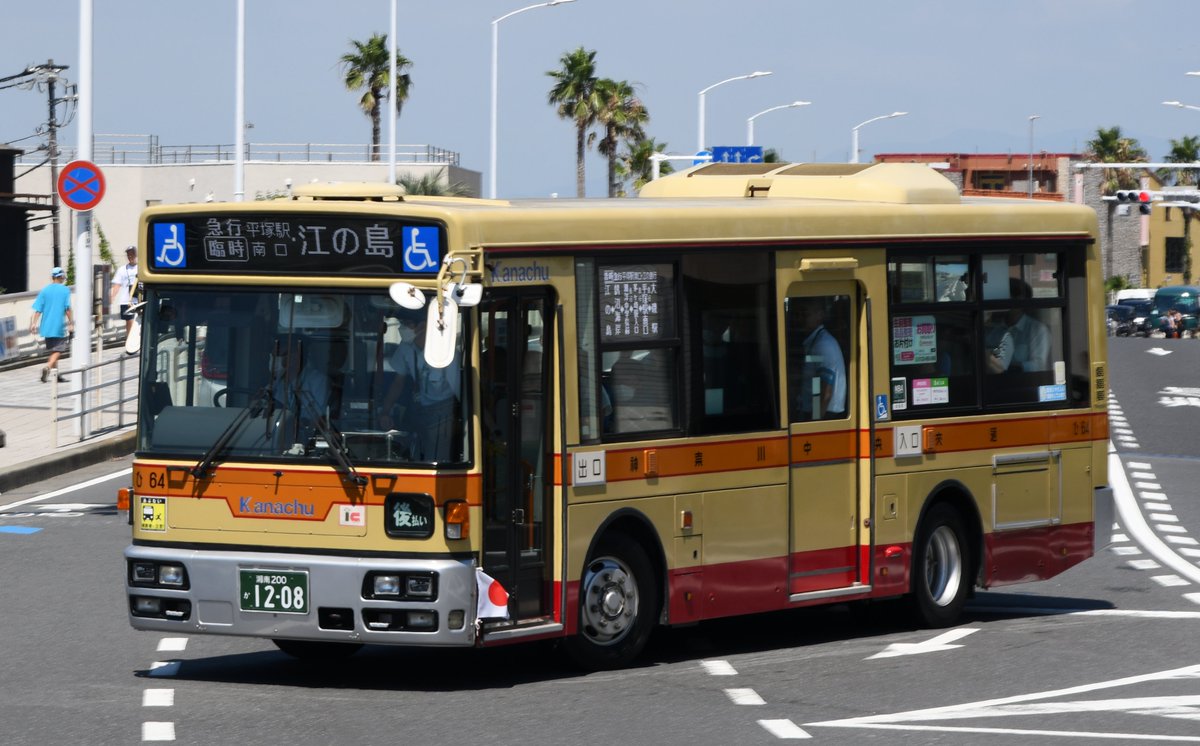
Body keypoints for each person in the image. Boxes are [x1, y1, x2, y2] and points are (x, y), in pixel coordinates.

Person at [379, 313, 462, 461]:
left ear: (423, 326)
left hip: (444, 414)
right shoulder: (405, 348)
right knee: (410, 454)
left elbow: (461, 394)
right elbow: (398, 383)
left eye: (407, 323)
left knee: (435, 458)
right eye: (401, 323)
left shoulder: (447, 355)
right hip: (420, 411)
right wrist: (385, 412)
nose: (401, 328)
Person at [792, 298, 846, 420]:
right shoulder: (814, 341)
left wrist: (815, 422)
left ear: (819, 315)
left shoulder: (823, 344)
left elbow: (826, 392)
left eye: (805, 314)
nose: (800, 319)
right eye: (797, 314)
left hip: (825, 416)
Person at [268, 335, 330, 428]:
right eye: (273, 356)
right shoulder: (276, 384)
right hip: (277, 437)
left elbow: (319, 420)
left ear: (295, 357)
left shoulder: (318, 382)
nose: (274, 360)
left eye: (278, 355)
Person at [30, 266, 74, 383]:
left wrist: (33, 324)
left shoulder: (45, 290)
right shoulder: (65, 290)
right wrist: (71, 322)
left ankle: (56, 375)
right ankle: (48, 367)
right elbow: (67, 308)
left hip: (46, 326)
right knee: (58, 350)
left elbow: (38, 309)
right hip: (59, 326)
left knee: (54, 350)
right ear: (61, 277)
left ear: (52, 277)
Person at [1004, 278, 1050, 372]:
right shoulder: (993, 328)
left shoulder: (1037, 329)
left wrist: (1007, 368)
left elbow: (1038, 365)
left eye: (1015, 298)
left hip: (1024, 383)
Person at [111, 245, 139, 335]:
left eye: (132, 254)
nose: (130, 257)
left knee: (139, 322)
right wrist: (111, 297)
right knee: (129, 321)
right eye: (128, 255)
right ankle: (129, 341)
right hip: (126, 301)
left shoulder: (141, 268)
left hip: (139, 299)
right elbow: (117, 284)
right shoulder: (122, 270)